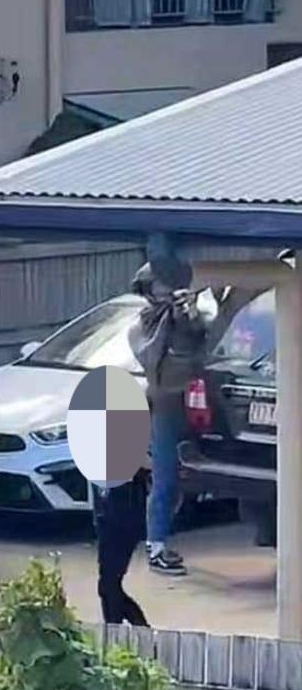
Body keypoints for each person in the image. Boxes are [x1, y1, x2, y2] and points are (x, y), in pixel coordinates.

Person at [129, 263, 208, 576]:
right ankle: (156, 546)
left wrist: (189, 315)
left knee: (192, 473)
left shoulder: (188, 316)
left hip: (200, 400)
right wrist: (172, 322)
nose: (168, 291)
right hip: (166, 403)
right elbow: (150, 357)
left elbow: (203, 340)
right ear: (149, 290)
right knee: (165, 477)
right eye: (161, 285)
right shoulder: (142, 325)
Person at [93, 471, 150, 626]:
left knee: (109, 585)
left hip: (124, 522)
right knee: (108, 585)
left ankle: (121, 629)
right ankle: (134, 627)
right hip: (107, 520)